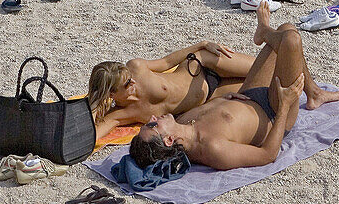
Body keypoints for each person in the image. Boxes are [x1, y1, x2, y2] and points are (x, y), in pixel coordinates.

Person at [128, 3, 339, 172]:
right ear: (168, 140)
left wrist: (224, 99)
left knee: (286, 29)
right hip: (274, 111)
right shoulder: (212, 149)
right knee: (290, 40)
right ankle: (264, 31)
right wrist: (286, 106)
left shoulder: (181, 122)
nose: (152, 119)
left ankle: (314, 93)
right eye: (152, 126)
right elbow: (267, 155)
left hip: (248, 94)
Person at [88, 41, 258, 141]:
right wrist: (94, 104)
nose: (133, 81)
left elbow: (167, 62)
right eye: (127, 84)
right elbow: (92, 136)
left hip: (201, 65)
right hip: (212, 96)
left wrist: (202, 44)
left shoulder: (136, 67)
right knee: (262, 85)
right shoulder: (120, 114)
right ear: (111, 94)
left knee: (267, 66)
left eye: (129, 76)